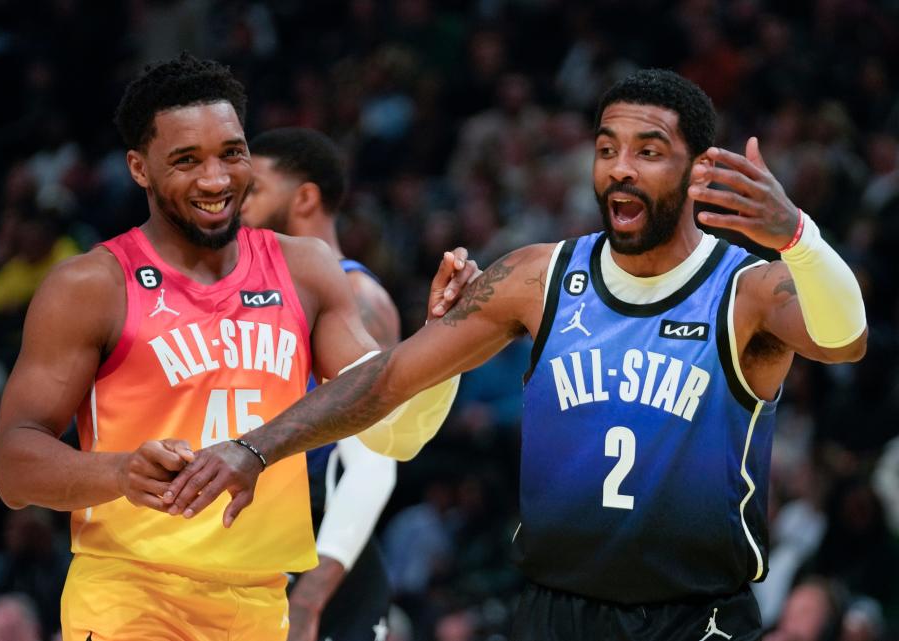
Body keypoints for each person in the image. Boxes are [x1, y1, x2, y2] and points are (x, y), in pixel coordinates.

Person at [164, 69, 868, 640]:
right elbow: (387, 392)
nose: (620, 169)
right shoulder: (537, 277)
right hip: (554, 613)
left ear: (699, 171)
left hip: (695, 618)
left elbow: (846, 339)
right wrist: (255, 447)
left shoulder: (748, 288)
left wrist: (797, 235)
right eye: (606, 147)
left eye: (648, 151)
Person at [0, 53, 476, 640]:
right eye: (187, 160)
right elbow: (13, 466)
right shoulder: (91, 286)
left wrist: (442, 346)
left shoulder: (307, 269)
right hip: (130, 598)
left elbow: (390, 430)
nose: (217, 180)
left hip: (259, 603)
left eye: (232, 153)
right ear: (139, 169)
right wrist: (120, 473)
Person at [242, 127, 400, 641]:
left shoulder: (360, 301)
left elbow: (374, 463)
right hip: (245, 542)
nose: (235, 203)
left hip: (322, 552)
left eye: (254, 190)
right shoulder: (240, 295)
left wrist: (310, 597)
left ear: (305, 197)